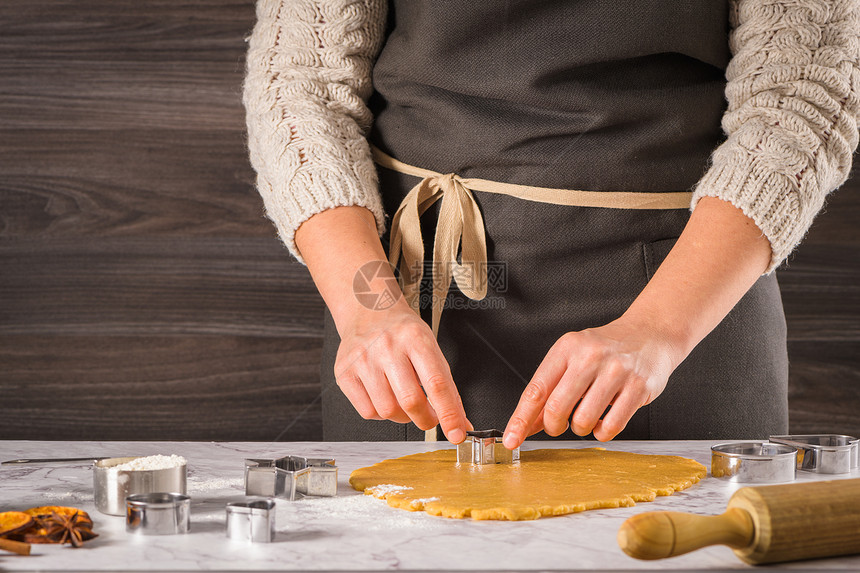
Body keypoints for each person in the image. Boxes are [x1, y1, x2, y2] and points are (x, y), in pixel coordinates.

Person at [243, 0, 860, 446]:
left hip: (689, 300)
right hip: (408, 301)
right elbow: (300, 87)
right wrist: (369, 309)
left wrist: (658, 328)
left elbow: (801, 97)